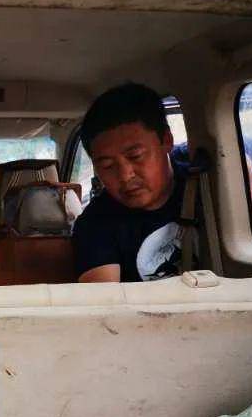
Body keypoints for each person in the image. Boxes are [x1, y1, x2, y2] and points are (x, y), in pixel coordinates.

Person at [73, 82, 192, 283]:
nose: (125, 175)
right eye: (108, 165)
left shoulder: (206, 180)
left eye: (135, 156)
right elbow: (104, 305)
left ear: (167, 140)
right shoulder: (95, 224)